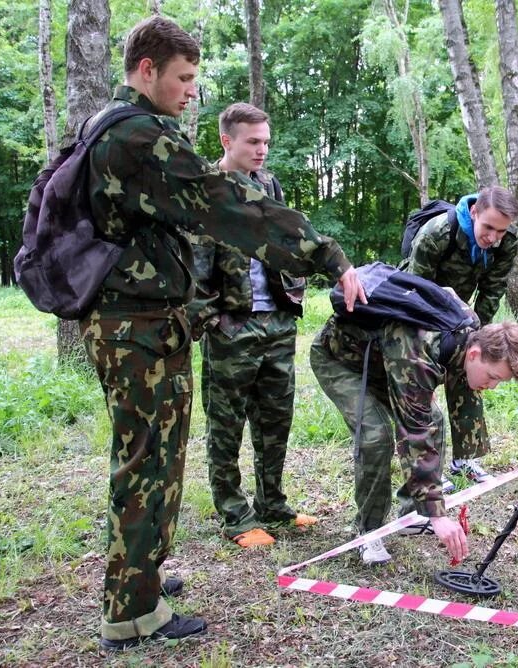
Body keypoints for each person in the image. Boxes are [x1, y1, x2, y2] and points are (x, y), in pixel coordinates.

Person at [77, 16, 364, 651]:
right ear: (147, 70)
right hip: (139, 327)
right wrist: (327, 254)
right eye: (183, 78)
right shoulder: (140, 135)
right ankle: (132, 614)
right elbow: (227, 205)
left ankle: (140, 579)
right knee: (149, 463)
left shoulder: (109, 126)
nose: (191, 92)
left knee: (148, 458)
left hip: (138, 322)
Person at [310, 313, 518, 565]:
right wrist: (438, 514)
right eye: (493, 377)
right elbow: (414, 434)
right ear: (474, 354)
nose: (492, 386)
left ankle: (412, 515)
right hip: (341, 360)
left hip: (387, 363)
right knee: (376, 435)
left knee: (433, 418)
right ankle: (368, 531)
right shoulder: (416, 352)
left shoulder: (467, 329)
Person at [190, 103, 314, 548]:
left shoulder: (268, 183)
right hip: (233, 325)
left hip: (276, 320)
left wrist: (292, 299)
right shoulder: (206, 189)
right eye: (253, 142)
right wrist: (212, 320)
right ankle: (235, 515)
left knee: (275, 419)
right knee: (226, 425)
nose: (262, 150)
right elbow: (194, 261)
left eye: (266, 142)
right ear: (227, 140)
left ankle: (272, 504)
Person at [401, 186, 518, 489]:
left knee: (473, 366)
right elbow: (414, 292)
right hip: (422, 308)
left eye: (501, 231)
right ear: (474, 212)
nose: (493, 238)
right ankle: (430, 466)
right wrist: (424, 351)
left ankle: (466, 458)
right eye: (488, 227)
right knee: (424, 383)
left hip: (461, 311)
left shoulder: (507, 241)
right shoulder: (437, 233)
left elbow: (493, 288)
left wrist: (479, 335)